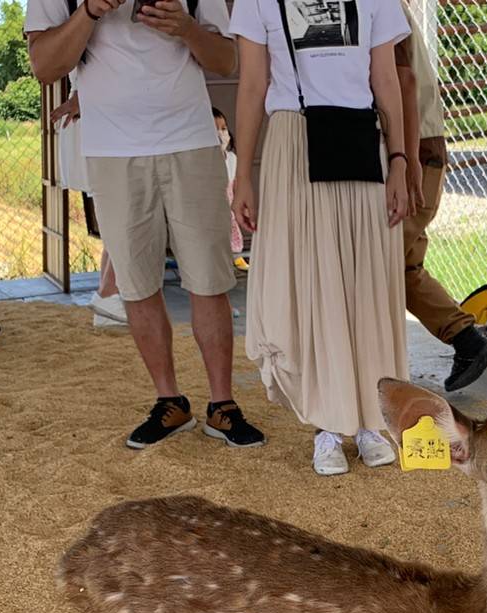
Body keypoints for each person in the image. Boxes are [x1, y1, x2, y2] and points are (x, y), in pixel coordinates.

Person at [26, 0, 265, 451]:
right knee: (136, 284)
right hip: (113, 150)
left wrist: (187, 28)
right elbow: (44, 65)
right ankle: (169, 400)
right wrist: (89, 13)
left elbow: (227, 58)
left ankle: (223, 404)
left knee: (210, 280)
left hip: (191, 141)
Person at [230, 0, 411, 476]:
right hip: (294, 138)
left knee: (366, 282)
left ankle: (371, 419)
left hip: (360, 136)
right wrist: (243, 174)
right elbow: (252, 86)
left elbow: (387, 79)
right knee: (313, 282)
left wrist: (399, 160)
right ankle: (327, 426)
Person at [393, 1, 487, 391]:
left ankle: (382, 370)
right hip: (421, 147)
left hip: (411, 151)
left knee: (377, 265)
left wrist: (403, 157)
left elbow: (402, 82)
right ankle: (468, 340)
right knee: (402, 266)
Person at [49, 87, 127, 328]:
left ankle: (109, 297)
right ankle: (108, 293)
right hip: (105, 131)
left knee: (118, 220)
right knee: (125, 220)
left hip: (102, 127)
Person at [211, 108, 248, 271]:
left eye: (223, 128)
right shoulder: (206, 160)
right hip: (211, 205)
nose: (221, 133)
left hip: (228, 203)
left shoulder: (232, 158)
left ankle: (235, 256)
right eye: (215, 130)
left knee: (231, 230)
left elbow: (235, 183)